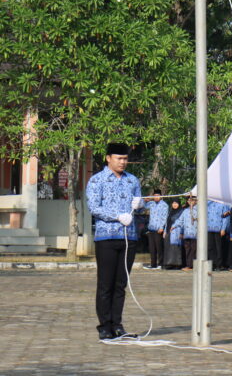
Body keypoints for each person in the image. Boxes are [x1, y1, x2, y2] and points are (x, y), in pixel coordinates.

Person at [85, 143, 143, 340]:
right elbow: (94, 207)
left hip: (128, 237)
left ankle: (117, 324)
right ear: (108, 158)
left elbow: (140, 208)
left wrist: (140, 204)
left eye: (125, 159)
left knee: (121, 284)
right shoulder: (97, 180)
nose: (123, 162)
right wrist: (116, 216)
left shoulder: (132, 180)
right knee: (105, 283)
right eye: (119, 158)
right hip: (107, 236)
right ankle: (104, 325)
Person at [172, 194, 199, 272]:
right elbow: (180, 220)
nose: (190, 202)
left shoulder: (199, 210)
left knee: (194, 250)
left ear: (196, 201)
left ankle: (192, 265)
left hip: (195, 234)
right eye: (189, 200)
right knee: (188, 250)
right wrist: (174, 226)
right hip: (187, 234)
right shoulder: (185, 211)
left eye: (192, 200)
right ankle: (188, 265)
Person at [143, 190, 168, 270]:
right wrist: (145, 200)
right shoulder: (151, 204)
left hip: (158, 229)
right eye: (154, 195)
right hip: (151, 228)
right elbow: (143, 207)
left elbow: (165, 217)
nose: (156, 197)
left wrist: (161, 227)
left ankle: (160, 264)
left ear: (161, 196)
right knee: (152, 248)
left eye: (157, 195)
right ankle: (153, 264)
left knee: (159, 247)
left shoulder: (164, 205)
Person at [206, 200, 231, 271]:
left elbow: (225, 217)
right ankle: (212, 263)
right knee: (210, 247)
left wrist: (223, 228)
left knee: (218, 247)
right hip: (209, 228)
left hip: (218, 228)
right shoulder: (208, 203)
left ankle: (219, 264)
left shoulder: (222, 204)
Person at [163, 199, 184, 269]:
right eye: (173, 203)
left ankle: (177, 264)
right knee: (169, 248)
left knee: (176, 248)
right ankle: (169, 264)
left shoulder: (181, 212)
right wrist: (165, 231)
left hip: (176, 232)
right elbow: (167, 222)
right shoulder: (170, 212)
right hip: (169, 232)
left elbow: (182, 222)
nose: (175, 204)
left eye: (176, 203)